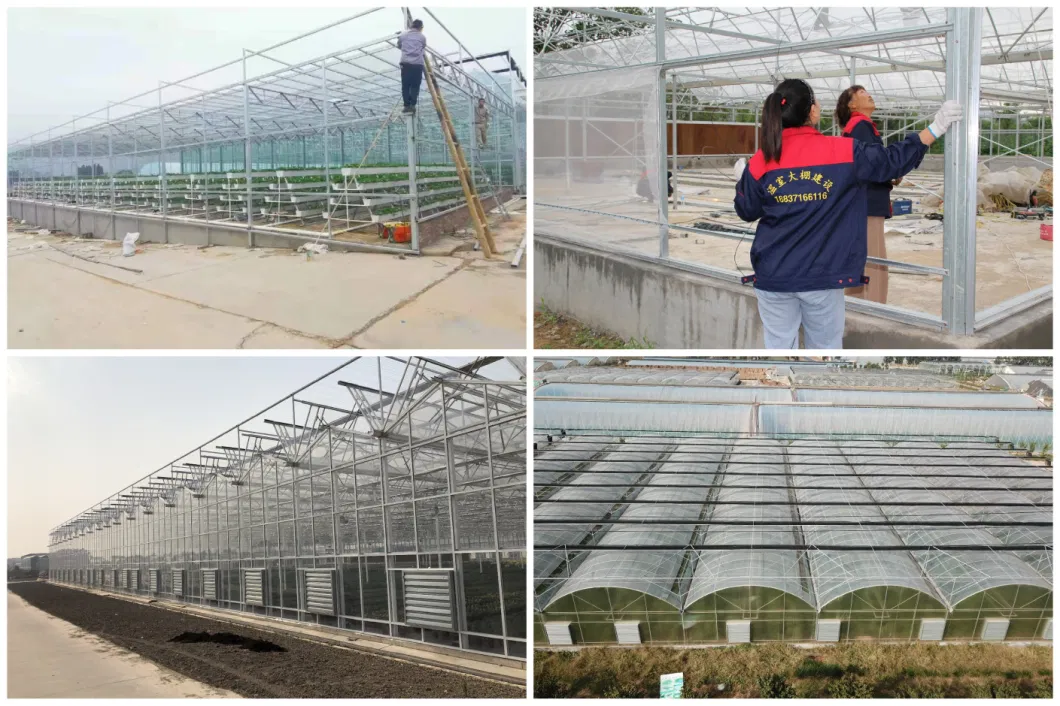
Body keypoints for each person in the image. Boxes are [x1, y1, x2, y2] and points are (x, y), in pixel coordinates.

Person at [733, 78, 961, 349]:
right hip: (821, 276)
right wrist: (936, 127)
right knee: (825, 351)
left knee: (779, 351)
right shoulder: (842, 151)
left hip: (773, 276)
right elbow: (891, 162)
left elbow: (747, 211)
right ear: (813, 111)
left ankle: (780, 390)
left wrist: (744, 181)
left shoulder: (762, 160)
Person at [836, 85, 894, 304]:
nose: (868, 94)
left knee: (861, 256)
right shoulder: (861, 126)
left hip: (860, 200)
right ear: (852, 105)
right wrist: (890, 170)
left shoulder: (857, 127)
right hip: (868, 202)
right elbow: (872, 164)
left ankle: (855, 303)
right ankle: (876, 308)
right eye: (861, 93)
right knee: (875, 259)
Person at [397, 20, 426, 113]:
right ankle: (412, 105)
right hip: (418, 65)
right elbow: (423, 47)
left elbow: (399, 46)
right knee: (415, 86)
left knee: (405, 86)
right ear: (420, 28)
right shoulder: (422, 37)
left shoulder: (403, 35)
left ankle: (406, 106)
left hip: (406, 64)